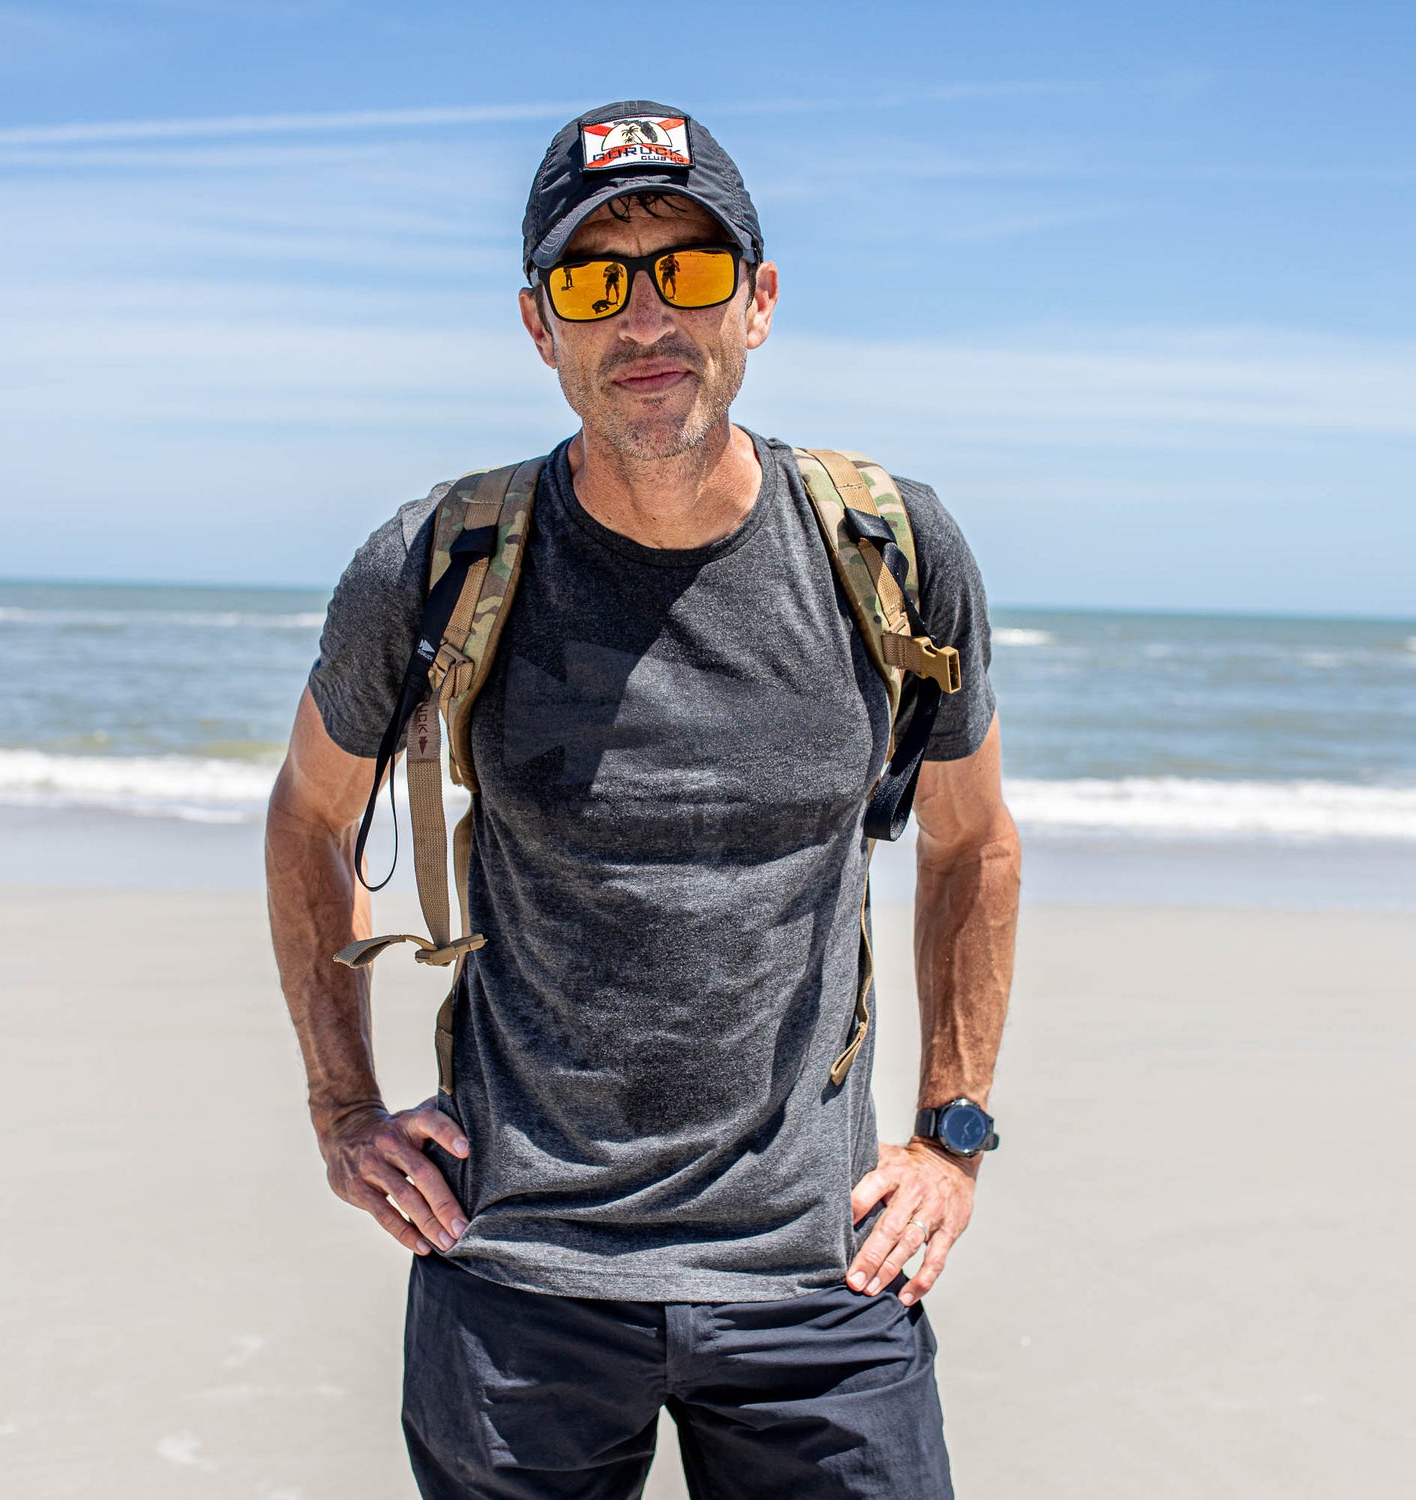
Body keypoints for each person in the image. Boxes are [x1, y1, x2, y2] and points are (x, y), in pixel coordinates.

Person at [266, 100, 1021, 1499]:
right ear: (539, 326)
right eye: (595, 281)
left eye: (687, 268)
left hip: (818, 1279)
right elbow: (311, 813)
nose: (645, 319)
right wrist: (342, 1110)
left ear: (761, 300)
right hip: (517, 1283)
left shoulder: (892, 550)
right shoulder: (437, 564)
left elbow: (973, 845)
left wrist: (951, 1135)